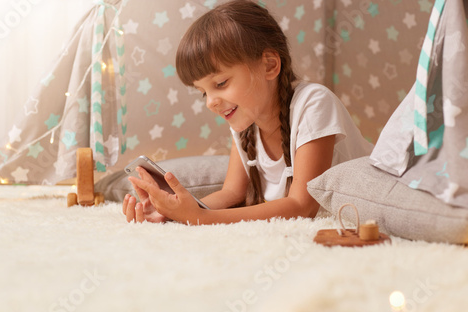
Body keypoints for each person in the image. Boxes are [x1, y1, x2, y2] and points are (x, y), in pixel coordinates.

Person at [122, 0, 373, 225]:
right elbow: (232, 193)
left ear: (270, 65)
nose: (210, 102)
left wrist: (201, 217)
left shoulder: (314, 103)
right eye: (203, 92)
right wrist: (174, 212)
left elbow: (303, 206)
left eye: (220, 84)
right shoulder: (246, 122)